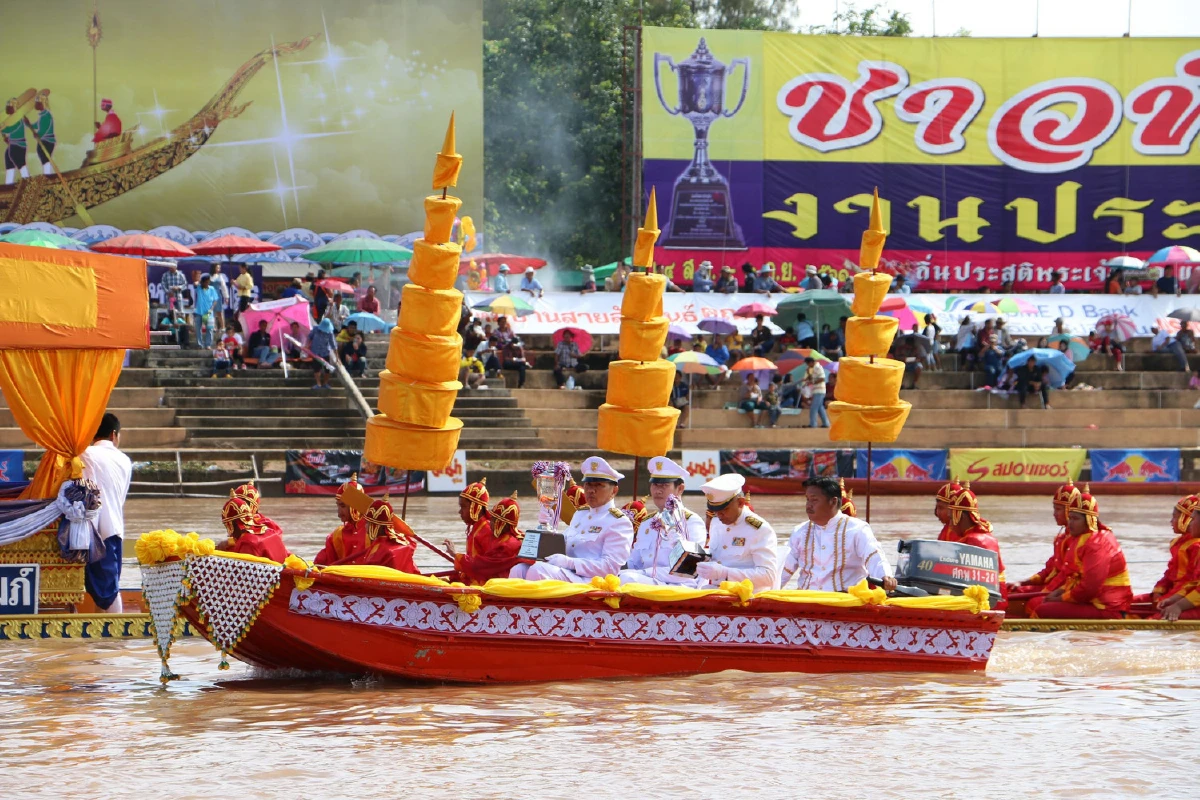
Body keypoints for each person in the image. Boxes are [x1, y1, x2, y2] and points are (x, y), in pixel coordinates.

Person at [510, 457, 633, 583]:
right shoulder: (580, 514)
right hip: (569, 573)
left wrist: (570, 563)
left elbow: (610, 567)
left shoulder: (619, 522)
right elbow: (563, 544)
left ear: (614, 490)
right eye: (588, 484)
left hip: (591, 580)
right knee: (518, 570)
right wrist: (547, 527)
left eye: (599, 485)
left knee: (539, 570)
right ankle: (519, 603)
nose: (591, 490)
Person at [1027, 487, 1132, 619]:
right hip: (1090, 601)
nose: (1070, 523)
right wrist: (1057, 592)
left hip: (1107, 607)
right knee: (1038, 603)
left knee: (1042, 611)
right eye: (1069, 518)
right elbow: (1072, 576)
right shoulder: (1079, 539)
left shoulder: (1097, 543)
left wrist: (1060, 598)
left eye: (1075, 519)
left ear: (1089, 520)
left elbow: (1089, 588)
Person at [781, 477, 895, 592]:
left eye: (814, 500)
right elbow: (784, 568)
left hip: (846, 601)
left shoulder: (857, 529)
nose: (808, 505)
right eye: (807, 500)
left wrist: (885, 577)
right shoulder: (800, 531)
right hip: (806, 600)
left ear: (833, 501)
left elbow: (873, 556)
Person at [619, 457, 707, 585]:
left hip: (679, 586)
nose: (658, 491)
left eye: (665, 485)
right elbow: (635, 562)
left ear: (680, 489)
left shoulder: (691, 522)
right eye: (655, 485)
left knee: (627, 579)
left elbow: (687, 570)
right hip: (647, 582)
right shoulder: (647, 522)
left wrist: (643, 573)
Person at [80, 413, 132, 613]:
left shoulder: (85, 454)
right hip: (112, 530)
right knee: (107, 589)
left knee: (106, 592)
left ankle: (111, 641)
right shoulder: (124, 460)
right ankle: (106, 643)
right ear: (114, 435)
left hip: (90, 532)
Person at [695, 474, 779, 592]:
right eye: (715, 511)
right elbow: (719, 555)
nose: (719, 516)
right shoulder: (716, 522)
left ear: (740, 503)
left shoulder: (759, 529)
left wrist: (725, 573)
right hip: (716, 592)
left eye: (724, 510)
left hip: (747, 598)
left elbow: (768, 576)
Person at [935, 480, 1007, 606]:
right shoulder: (983, 536)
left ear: (960, 517)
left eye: (952, 519)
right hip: (994, 596)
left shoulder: (971, 540)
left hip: (987, 602)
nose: (950, 524)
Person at [1131, 495, 1200, 619]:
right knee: (1126, 603)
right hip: (1182, 594)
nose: (1190, 522)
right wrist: (1160, 591)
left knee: (1157, 616)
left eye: (1193, 519)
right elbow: (1174, 575)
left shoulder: (1195, 546)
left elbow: (1189, 582)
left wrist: (1177, 604)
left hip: (1189, 597)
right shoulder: (1178, 543)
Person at [1008, 480, 1081, 597]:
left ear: (1069, 510)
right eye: (1054, 509)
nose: (1054, 514)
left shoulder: (1077, 541)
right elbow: (1050, 570)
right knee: (1011, 589)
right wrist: (1022, 583)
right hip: (1053, 587)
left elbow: (1066, 576)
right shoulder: (1061, 538)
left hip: (1062, 590)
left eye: (1058, 509)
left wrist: (1044, 592)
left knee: (1031, 602)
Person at [450, 492, 525, 585]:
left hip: (496, 586)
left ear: (501, 524)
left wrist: (456, 556)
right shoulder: (504, 539)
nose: (490, 523)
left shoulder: (507, 545)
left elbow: (481, 566)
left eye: (493, 520)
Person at [329, 497, 419, 573]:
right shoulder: (404, 541)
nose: (365, 526)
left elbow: (369, 575)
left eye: (367, 523)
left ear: (375, 526)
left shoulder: (381, 550)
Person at [313, 475, 369, 566]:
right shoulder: (336, 536)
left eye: (342, 506)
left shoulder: (376, 533)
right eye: (338, 506)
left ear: (354, 507)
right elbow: (321, 563)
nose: (338, 512)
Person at [218, 496, 291, 562]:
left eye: (227, 526)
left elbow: (244, 572)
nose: (229, 534)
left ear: (233, 525)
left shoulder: (247, 542)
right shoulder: (269, 530)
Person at [2, 97, 31, 184]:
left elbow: (10, 129)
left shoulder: (17, 119)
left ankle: (27, 180)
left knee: (20, 162)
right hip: (13, 144)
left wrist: (2, 129)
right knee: (8, 158)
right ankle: (9, 183)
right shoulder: (12, 119)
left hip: (18, 145)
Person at [30, 89, 55, 175]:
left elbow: (44, 128)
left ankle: (47, 174)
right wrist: (29, 124)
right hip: (44, 140)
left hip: (47, 141)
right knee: (43, 157)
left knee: (45, 158)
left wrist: (38, 135)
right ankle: (46, 173)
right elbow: (37, 125)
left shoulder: (46, 116)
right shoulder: (43, 115)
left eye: (38, 103)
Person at [192, 274, 220, 349]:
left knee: (209, 329)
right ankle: (200, 344)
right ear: (203, 282)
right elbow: (195, 284)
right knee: (198, 329)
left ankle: (208, 344)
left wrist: (212, 308)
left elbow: (215, 300)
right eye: (206, 282)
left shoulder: (212, 289)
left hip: (209, 313)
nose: (207, 284)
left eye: (208, 282)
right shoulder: (199, 288)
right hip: (199, 312)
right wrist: (198, 282)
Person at [307, 318, 336, 388]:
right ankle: (318, 383)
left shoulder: (330, 332)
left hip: (325, 352)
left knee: (327, 369)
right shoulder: (315, 329)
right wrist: (308, 345)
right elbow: (309, 337)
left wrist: (337, 357)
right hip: (315, 352)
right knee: (316, 368)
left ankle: (325, 383)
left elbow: (333, 344)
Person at [803, 357, 829, 428]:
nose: (808, 366)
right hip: (816, 390)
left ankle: (813, 424)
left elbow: (822, 378)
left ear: (811, 362)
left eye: (808, 364)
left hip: (820, 390)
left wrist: (813, 382)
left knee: (813, 408)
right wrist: (808, 373)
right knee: (820, 408)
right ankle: (826, 423)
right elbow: (812, 379)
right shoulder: (813, 369)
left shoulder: (818, 367)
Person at [209, 264, 230, 331]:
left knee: (219, 312)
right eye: (217, 268)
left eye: (219, 268)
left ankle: (223, 327)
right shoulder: (209, 277)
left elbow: (224, 287)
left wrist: (226, 297)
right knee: (211, 312)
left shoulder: (220, 276)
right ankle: (213, 327)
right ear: (214, 268)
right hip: (210, 296)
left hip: (217, 295)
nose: (219, 269)